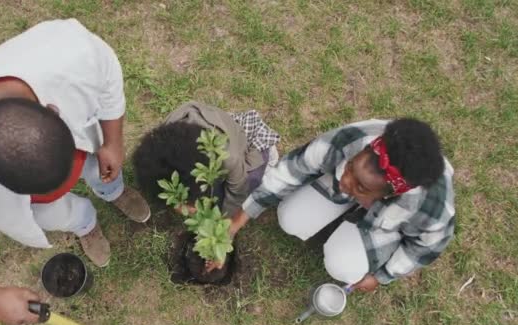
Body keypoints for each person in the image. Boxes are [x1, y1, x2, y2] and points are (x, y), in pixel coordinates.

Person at [0, 19, 150, 325]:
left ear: (53, 110)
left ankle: (114, 191)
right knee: (58, 213)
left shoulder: (69, 49)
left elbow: (107, 76)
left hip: (84, 155)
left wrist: (113, 141)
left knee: (102, 168)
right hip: (33, 206)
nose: (67, 186)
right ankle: (86, 223)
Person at [214, 118, 455, 292]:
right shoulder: (356, 139)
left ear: (390, 194)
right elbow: (294, 168)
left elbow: (425, 248)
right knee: (290, 218)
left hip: (386, 223)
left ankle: (359, 216)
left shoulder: (428, 208)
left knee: (342, 266)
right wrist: (239, 218)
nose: (344, 183)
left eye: (360, 187)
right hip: (372, 186)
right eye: (349, 168)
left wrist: (382, 276)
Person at [132, 101, 280, 216]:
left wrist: (224, 221)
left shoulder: (227, 156)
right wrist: (178, 204)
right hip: (213, 126)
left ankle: (270, 159)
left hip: (245, 144)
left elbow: (237, 192)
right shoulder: (164, 138)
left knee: (248, 181)